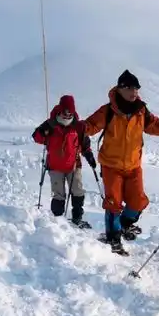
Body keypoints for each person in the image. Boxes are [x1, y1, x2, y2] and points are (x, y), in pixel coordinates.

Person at [83, 69, 159, 254]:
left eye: (137, 89)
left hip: (133, 166)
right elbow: (90, 125)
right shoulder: (108, 111)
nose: (134, 93)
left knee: (138, 201)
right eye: (130, 88)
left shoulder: (141, 111)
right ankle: (113, 238)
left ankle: (124, 225)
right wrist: (80, 127)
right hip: (111, 165)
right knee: (113, 202)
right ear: (120, 89)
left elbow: (156, 126)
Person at [32, 94, 97, 227]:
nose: (67, 116)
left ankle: (77, 218)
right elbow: (37, 137)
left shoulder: (78, 126)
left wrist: (89, 155)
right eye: (65, 113)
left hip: (73, 165)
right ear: (60, 110)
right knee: (59, 194)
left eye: (70, 113)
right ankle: (58, 221)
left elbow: (85, 144)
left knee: (77, 190)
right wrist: (42, 130)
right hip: (55, 166)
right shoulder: (51, 124)